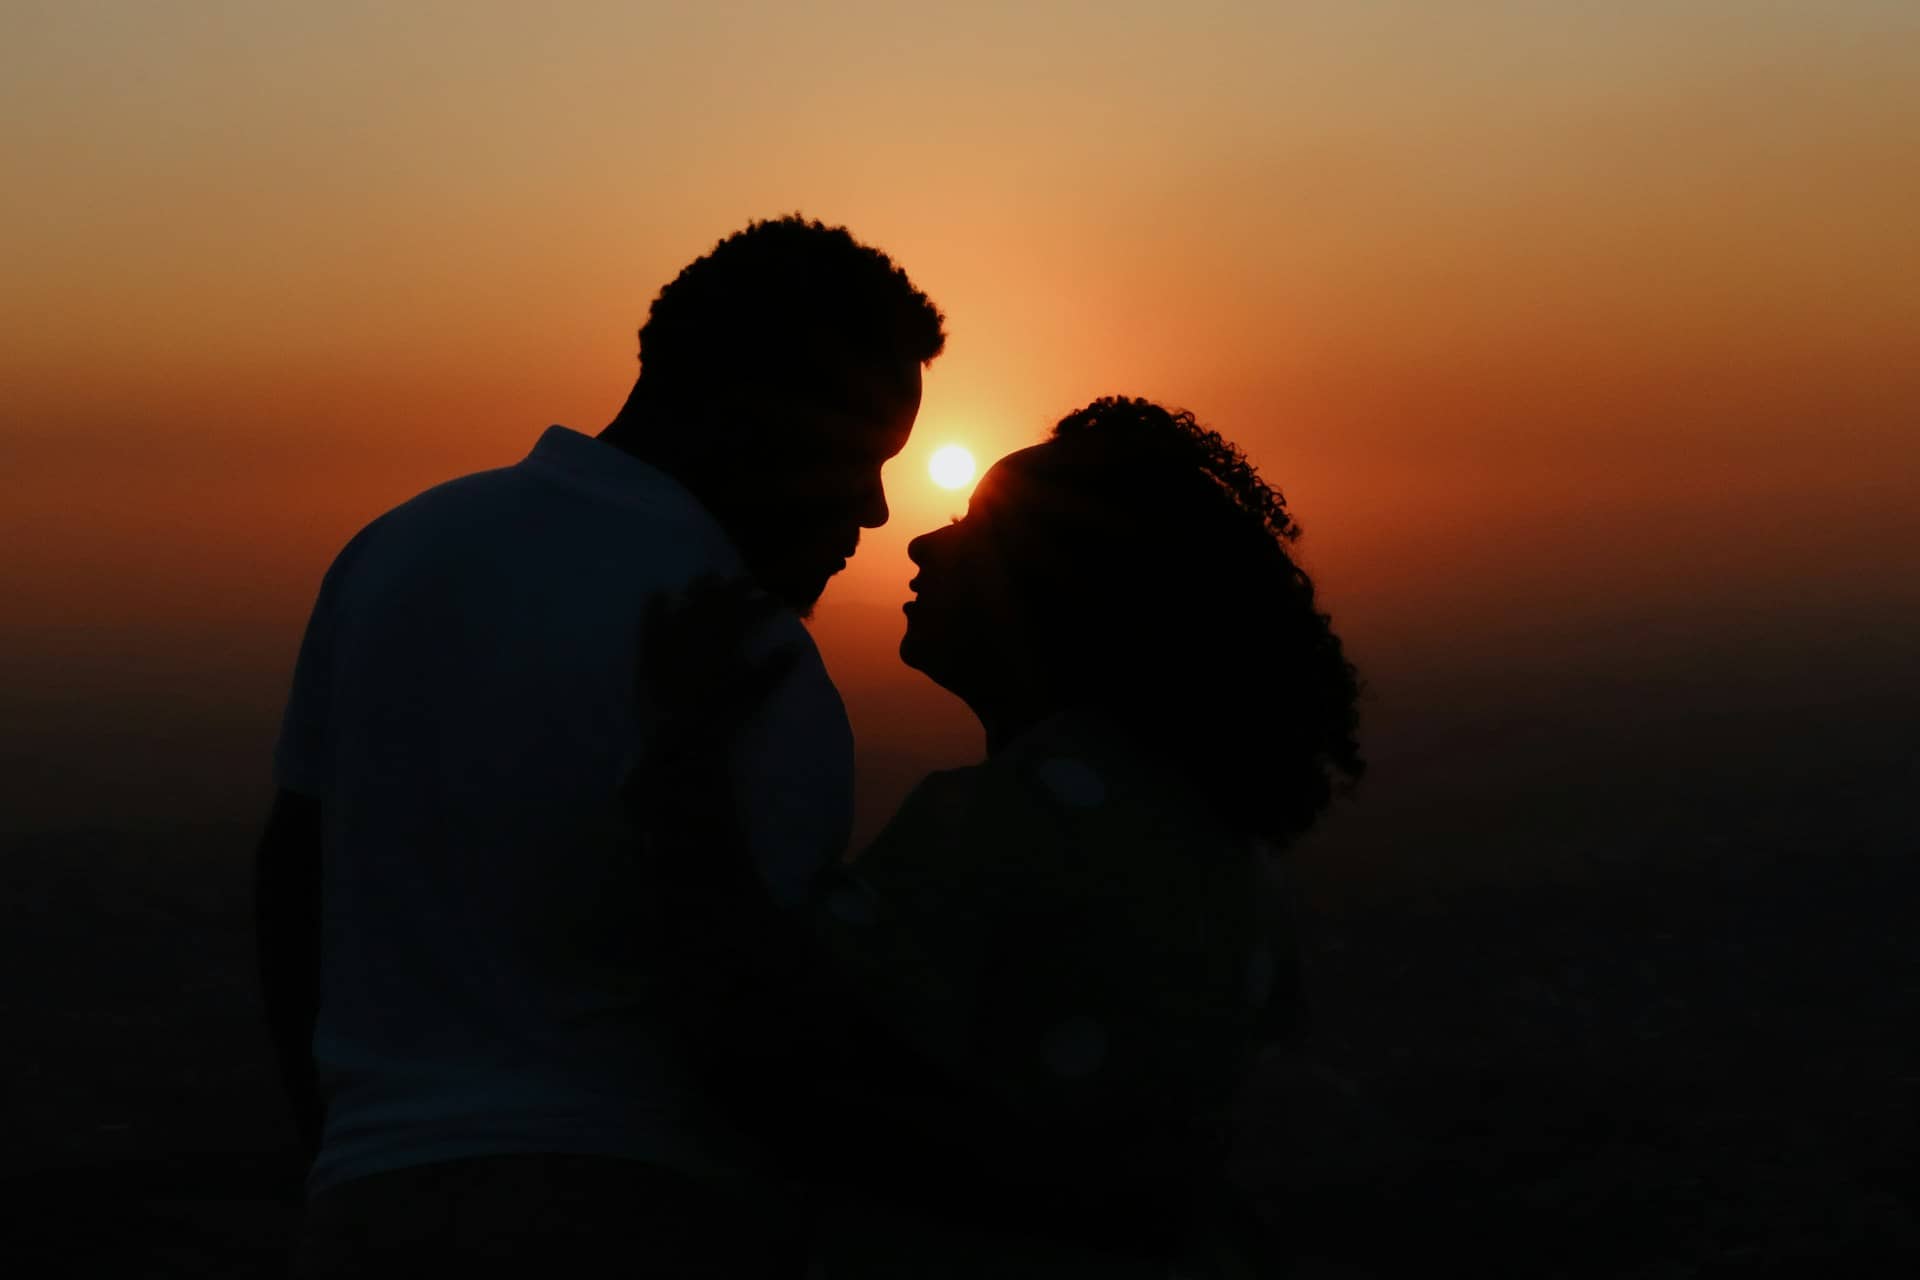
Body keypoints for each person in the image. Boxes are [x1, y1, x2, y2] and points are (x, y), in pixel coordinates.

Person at [253, 214, 946, 1274]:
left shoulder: (395, 551)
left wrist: (346, 1147)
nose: (873, 507)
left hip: (364, 1203)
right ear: (743, 407)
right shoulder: (744, 653)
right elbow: (755, 1027)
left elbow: (291, 877)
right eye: (853, 455)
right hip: (642, 1207)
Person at [631, 396, 1365, 1275]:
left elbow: (768, 1046)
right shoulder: (1208, 833)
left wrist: (685, 763)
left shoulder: (1010, 826)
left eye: (971, 528)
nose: (918, 543)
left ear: (1057, 589)